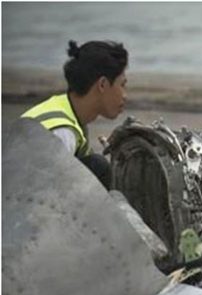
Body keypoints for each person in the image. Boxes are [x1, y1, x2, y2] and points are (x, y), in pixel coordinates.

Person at [22, 40, 128, 189]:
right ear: (102, 84)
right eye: (122, 85)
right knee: (98, 166)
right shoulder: (62, 132)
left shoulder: (66, 109)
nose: (125, 95)